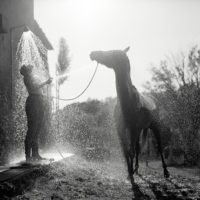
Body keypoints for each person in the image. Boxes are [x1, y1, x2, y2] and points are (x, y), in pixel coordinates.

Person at [20, 64, 52, 162]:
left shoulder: (32, 77)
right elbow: (35, 87)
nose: (32, 69)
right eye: (30, 68)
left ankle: (35, 154)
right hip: (33, 101)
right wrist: (46, 82)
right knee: (32, 129)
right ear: (26, 71)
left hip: (38, 101)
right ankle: (28, 156)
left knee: (37, 128)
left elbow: (38, 86)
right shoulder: (27, 78)